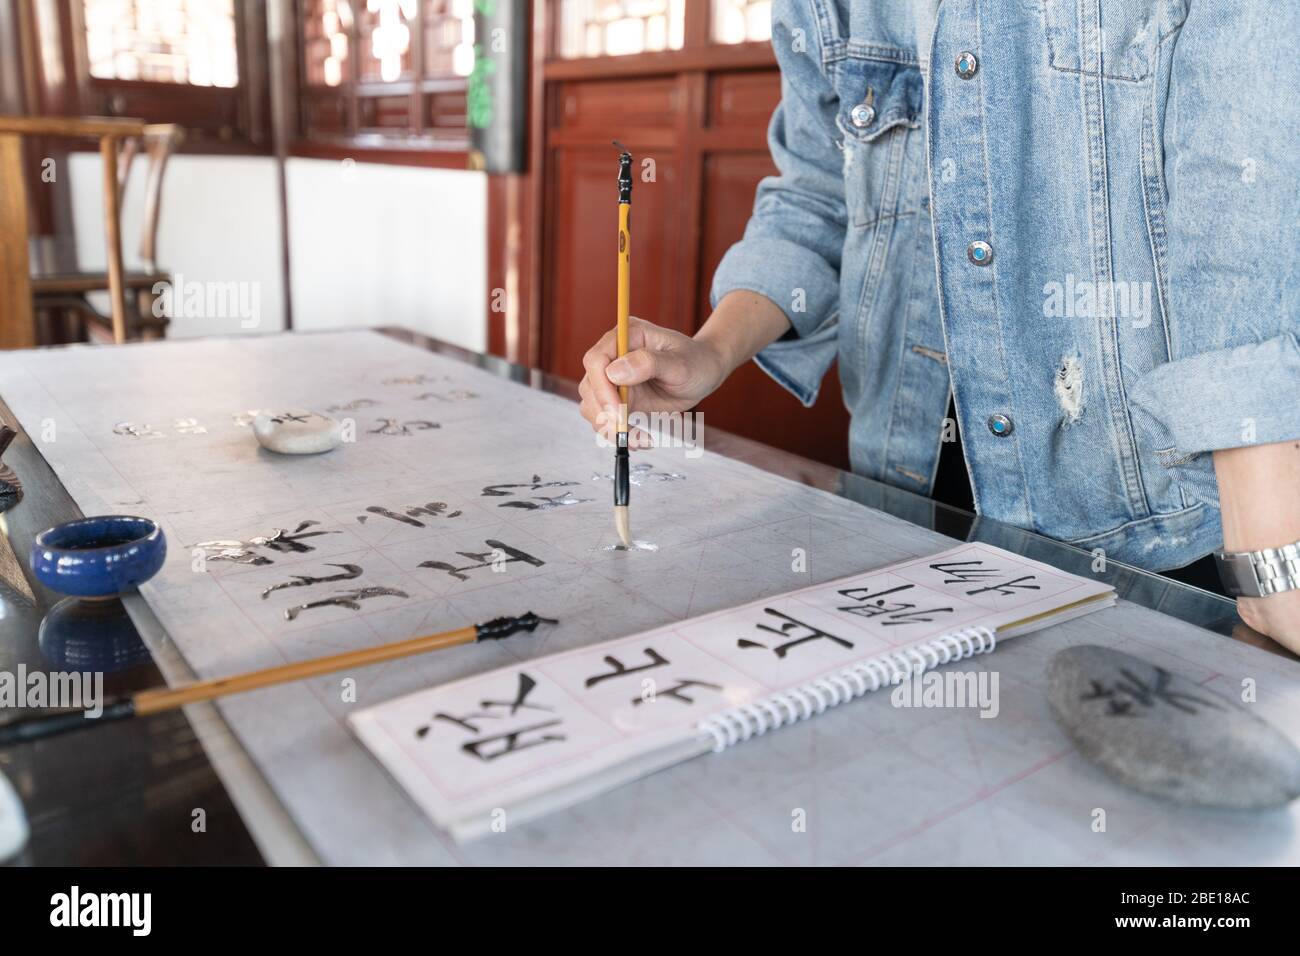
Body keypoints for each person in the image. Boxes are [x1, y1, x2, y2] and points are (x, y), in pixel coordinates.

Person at [577, 1, 1299, 652]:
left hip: (1150, 515)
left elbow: (1237, 191)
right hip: (908, 491)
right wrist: (708, 352)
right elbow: (818, 195)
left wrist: (1269, 551)